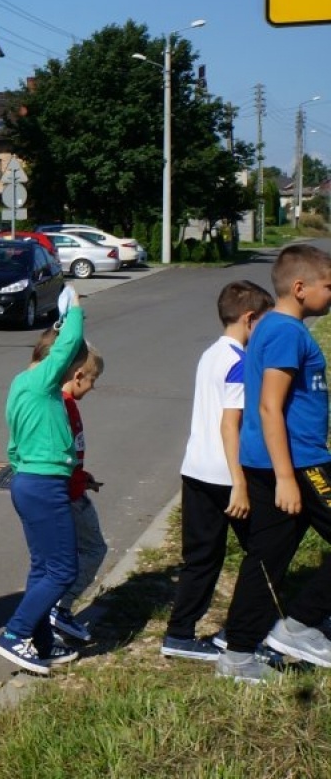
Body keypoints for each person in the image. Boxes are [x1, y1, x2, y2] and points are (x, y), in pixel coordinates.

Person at [217, 245, 331, 683]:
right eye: (328, 287)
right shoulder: (286, 332)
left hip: (273, 461)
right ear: (300, 288)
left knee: (267, 557)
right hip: (299, 462)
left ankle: (239, 654)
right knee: (267, 556)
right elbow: (269, 407)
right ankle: (300, 626)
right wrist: (287, 477)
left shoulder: (270, 328)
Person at [162, 280, 273, 663]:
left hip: (196, 468)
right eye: (265, 324)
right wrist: (240, 485)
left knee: (202, 557)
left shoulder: (211, 354)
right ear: (249, 318)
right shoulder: (240, 362)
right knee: (265, 550)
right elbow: (231, 425)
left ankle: (179, 633)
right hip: (226, 476)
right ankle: (250, 628)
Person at [0, 285, 87, 676]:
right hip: (44, 485)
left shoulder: (19, 384)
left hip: (27, 480)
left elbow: (14, 444)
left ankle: (42, 644)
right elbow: (69, 344)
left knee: (42, 568)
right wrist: (76, 309)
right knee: (63, 570)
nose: (68, 374)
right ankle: (14, 636)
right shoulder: (43, 381)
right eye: (66, 367)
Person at [49, 344, 108, 643]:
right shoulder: (65, 405)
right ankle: (60, 607)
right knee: (94, 549)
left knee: (64, 555)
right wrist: (75, 483)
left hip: (72, 488)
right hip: (68, 496)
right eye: (93, 379)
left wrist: (83, 477)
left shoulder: (62, 403)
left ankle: (55, 609)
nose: (93, 386)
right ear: (78, 375)